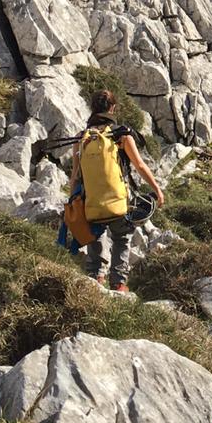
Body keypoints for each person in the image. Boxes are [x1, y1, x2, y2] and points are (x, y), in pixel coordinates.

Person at [70, 88, 164, 292]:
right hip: (119, 200)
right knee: (122, 237)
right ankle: (119, 283)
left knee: (95, 236)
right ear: (113, 108)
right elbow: (140, 165)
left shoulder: (82, 138)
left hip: (92, 201)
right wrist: (156, 188)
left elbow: (75, 175)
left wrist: (72, 201)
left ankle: (96, 279)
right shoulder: (120, 135)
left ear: (92, 108)